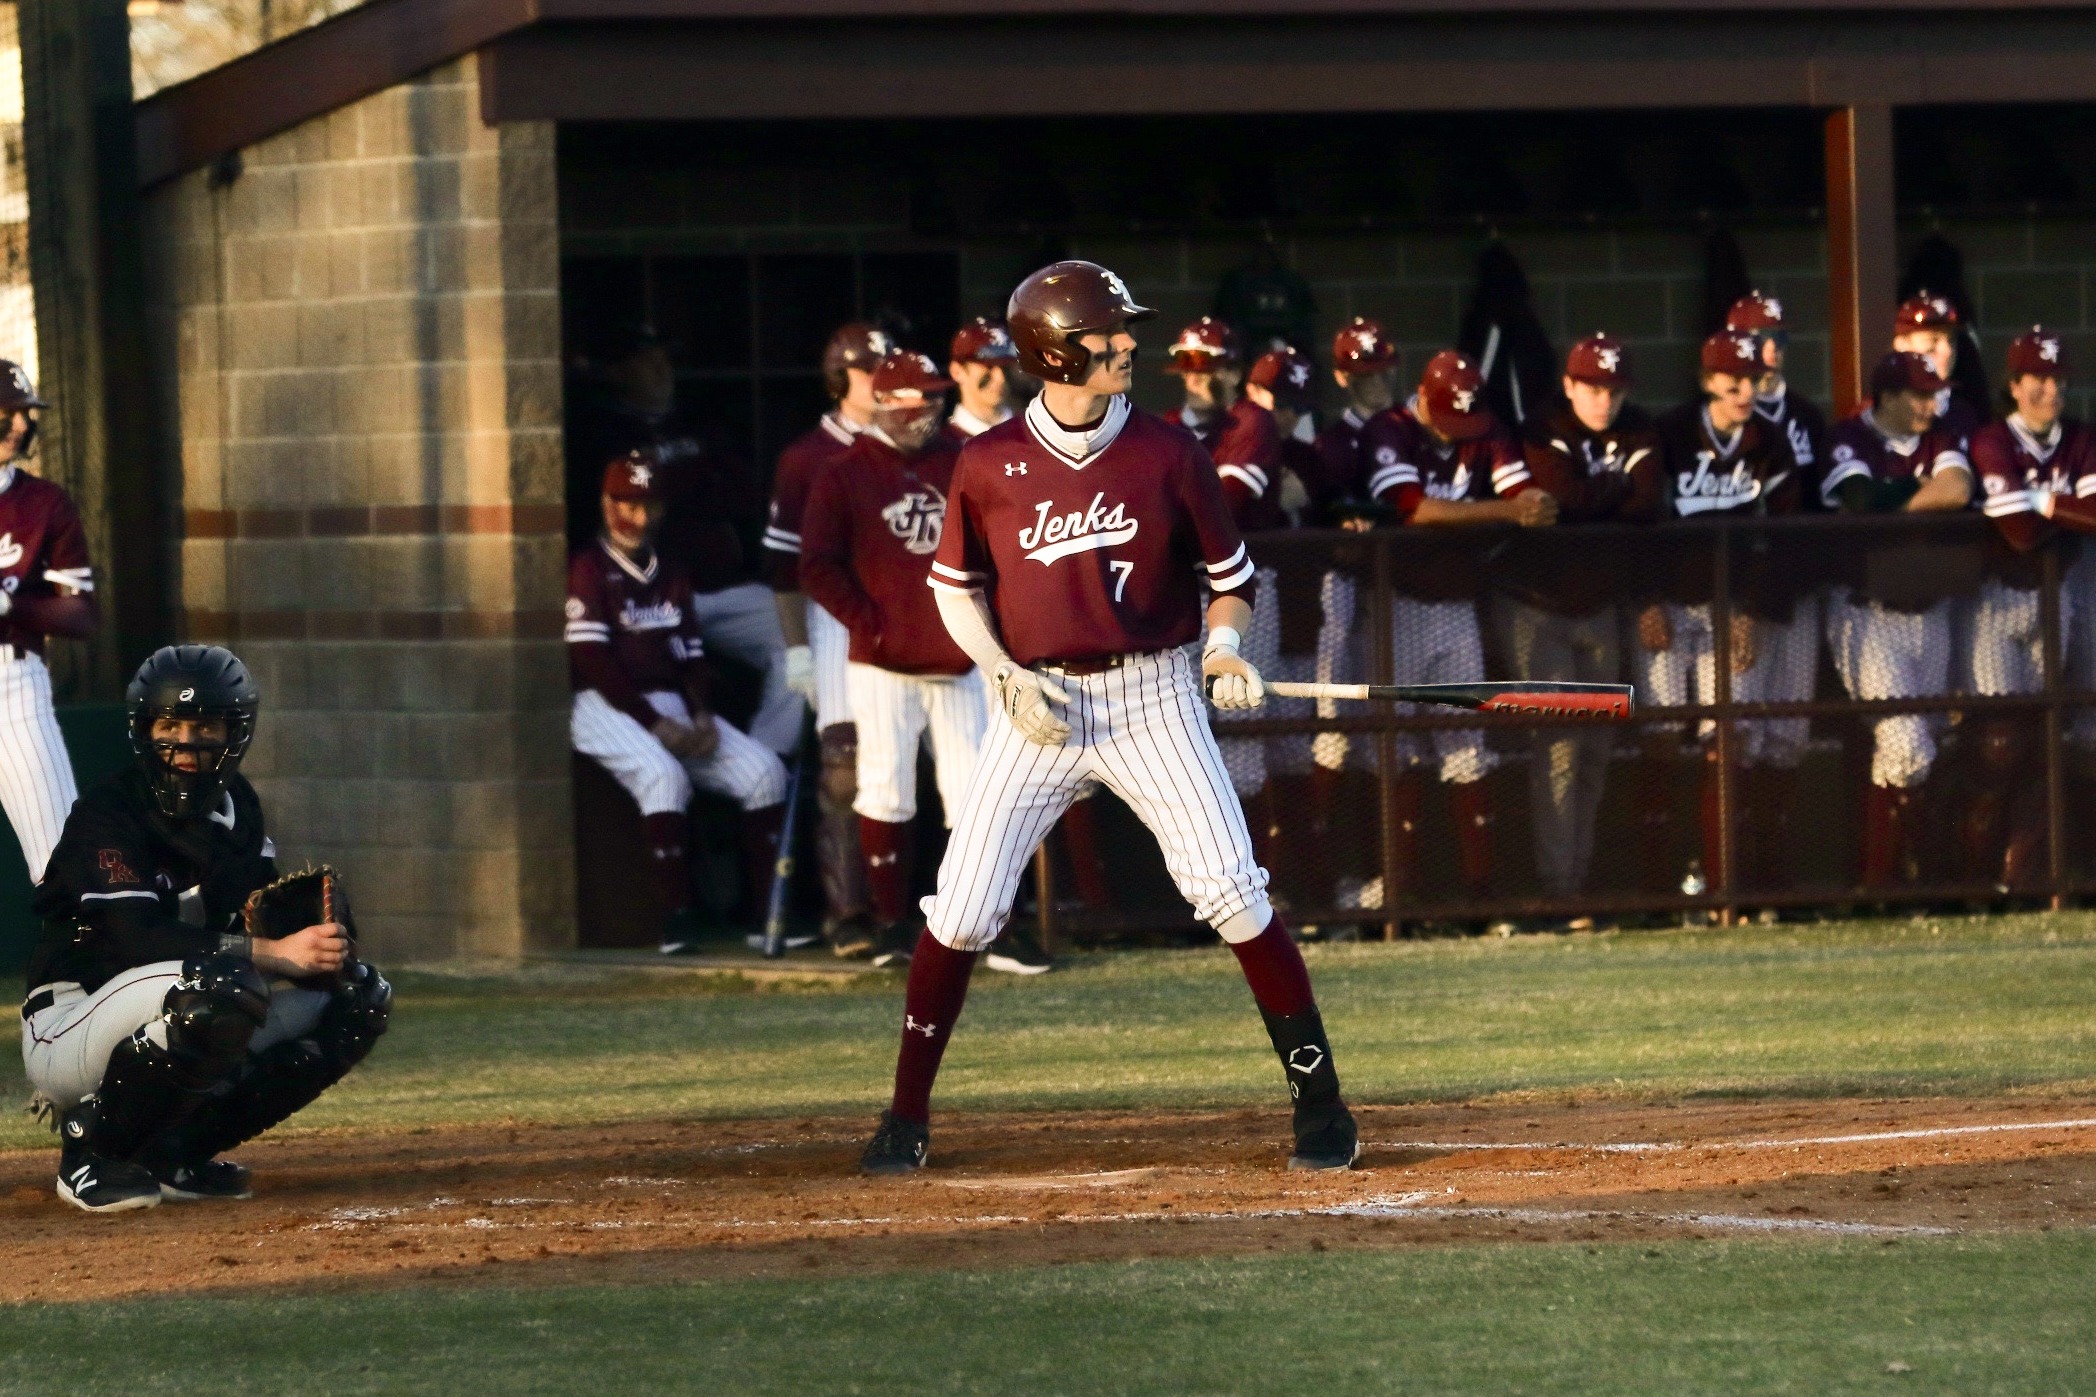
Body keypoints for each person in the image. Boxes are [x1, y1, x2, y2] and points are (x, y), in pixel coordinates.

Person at [860, 260, 1358, 1175]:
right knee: (964, 908)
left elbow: (1230, 582)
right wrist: (1001, 672)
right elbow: (954, 590)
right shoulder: (987, 461)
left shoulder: (1168, 450)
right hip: (1035, 704)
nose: (1129, 344)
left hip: (1152, 692)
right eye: (1108, 334)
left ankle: (1321, 1102)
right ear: (1055, 349)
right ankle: (904, 1115)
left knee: (1232, 891)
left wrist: (1222, 648)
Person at [22, 645, 391, 1212]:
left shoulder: (237, 807)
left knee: (358, 998)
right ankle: (91, 1153)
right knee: (220, 985)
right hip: (70, 1018)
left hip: (172, 1001)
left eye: (204, 725)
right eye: (169, 723)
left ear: (234, 733)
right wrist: (274, 951)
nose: (186, 742)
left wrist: (326, 941)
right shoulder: (110, 809)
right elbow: (135, 938)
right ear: (143, 729)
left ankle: (174, 1153)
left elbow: (258, 909)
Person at [801, 351, 1051, 975]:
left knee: (975, 796)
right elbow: (816, 565)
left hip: (960, 655)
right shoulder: (844, 471)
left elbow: (999, 546)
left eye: (939, 397)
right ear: (888, 403)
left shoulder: (958, 459)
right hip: (882, 663)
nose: (934, 410)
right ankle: (890, 924)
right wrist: (870, 622)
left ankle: (989, 926)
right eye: (922, 399)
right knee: (886, 789)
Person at [1319, 350, 1555, 919]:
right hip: (1395, 602)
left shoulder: (1487, 429)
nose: (1459, 434)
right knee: (1394, 749)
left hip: (1457, 603)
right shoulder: (1390, 428)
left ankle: (1479, 894)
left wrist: (1533, 504)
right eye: (1449, 419)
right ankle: (1402, 889)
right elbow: (1413, 509)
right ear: (1423, 397)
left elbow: (1524, 494)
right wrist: (1502, 512)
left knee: (1466, 746)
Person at [570, 455, 789, 952]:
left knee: (765, 772)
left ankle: (765, 918)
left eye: (648, 506)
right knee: (662, 775)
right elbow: (592, 659)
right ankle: (677, 919)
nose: (639, 518)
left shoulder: (669, 570)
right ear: (607, 505)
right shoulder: (589, 566)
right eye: (628, 506)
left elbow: (691, 654)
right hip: (601, 703)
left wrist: (702, 714)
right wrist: (656, 724)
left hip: (670, 700)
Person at [946, 317, 1115, 917]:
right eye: (982, 365)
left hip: (1044, 629)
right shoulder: (956, 448)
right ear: (959, 372)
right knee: (989, 788)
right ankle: (1003, 914)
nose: (996, 376)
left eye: (1003, 363)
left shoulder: (1032, 432)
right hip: (982, 633)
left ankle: (1079, 901)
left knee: (1075, 768)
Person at [1649, 332, 1808, 909]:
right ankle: (1657, 889)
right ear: (1706, 381)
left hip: (1731, 608)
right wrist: (1645, 598)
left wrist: (1753, 611)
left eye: (1752, 381)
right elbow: (1637, 522)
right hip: (1669, 606)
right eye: (1732, 381)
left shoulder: (1770, 442)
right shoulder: (1667, 434)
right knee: (1663, 736)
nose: (1744, 392)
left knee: (1729, 739)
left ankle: (1723, 889)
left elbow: (1781, 535)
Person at [1504, 335, 1658, 907]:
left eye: (1614, 390)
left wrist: (1605, 493)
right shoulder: (1543, 426)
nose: (1605, 401)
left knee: (1595, 752)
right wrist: (1615, 485)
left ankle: (1578, 882)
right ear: (1569, 387)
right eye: (1593, 388)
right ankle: (1558, 888)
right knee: (1560, 748)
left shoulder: (1638, 426)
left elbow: (1649, 502)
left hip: (1600, 608)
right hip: (1539, 606)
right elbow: (1561, 499)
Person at [1821, 351, 1975, 889]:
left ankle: (1885, 882)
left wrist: (1895, 503)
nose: (1930, 404)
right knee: (1907, 743)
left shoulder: (1938, 435)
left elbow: (1957, 490)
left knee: (1919, 743)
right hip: (1866, 610)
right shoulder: (1848, 436)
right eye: (1918, 394)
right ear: (1886, 397)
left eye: (1935, 392)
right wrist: (1915, 494)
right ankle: (1908, 878)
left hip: (1929, 607)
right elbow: (1860, 498)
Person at [766, 322, 893, 955]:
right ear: (842, 378)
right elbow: (785, 568)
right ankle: (849, 916)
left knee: (921, 766)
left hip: (910, 618)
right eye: (870, 371)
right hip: (834, 621)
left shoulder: (913, 443)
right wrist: (796, 650)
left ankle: (920, 909)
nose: (882, 383)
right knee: (845, 771)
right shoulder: (806, 458)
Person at [1966, 328, 2096, 884]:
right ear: (2013, 385)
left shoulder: (2082, 438)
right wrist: (2055, 506)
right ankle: (1974, 870)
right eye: (2039, 379)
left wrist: (2041, 498)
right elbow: (2018, 531)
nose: (2051, 391)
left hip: (2059, 595)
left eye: (2058, 379)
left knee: (2050, 734)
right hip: (1997, 600)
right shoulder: (1992, 439)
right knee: (2001, 743)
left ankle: (2028, 867)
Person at [0, 362, 96, 884]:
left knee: (65, 860)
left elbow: (82, 615)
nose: (18, 426)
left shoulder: (42, 501)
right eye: (4, 415)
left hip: (11, 684)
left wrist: (12, 606)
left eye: (24, 416)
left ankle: (78, 966)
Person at [1725, 291, 1829, 484]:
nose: (1772, 348)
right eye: (1761, 338)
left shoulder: (1808, 415)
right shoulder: (1721, 415)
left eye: (1779, 337)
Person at [1892, 293, 1987, 447]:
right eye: (1933, 341)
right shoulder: (1879, 413)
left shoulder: (1964, 413)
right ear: (1901, 345)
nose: (1947, 351)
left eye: (1950, 340)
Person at [1163, 316, 1240, 453]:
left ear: (1234, 375)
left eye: (1203, 374)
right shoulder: (1166, 428)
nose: (1192, 382)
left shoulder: (1249, 421)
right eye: (1186, 373)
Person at [944, 317, 1018, 445]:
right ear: (957, 372)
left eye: (1005, 366)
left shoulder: (1035, 432)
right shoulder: (943, 449)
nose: (1000, 378)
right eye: (988, 366)